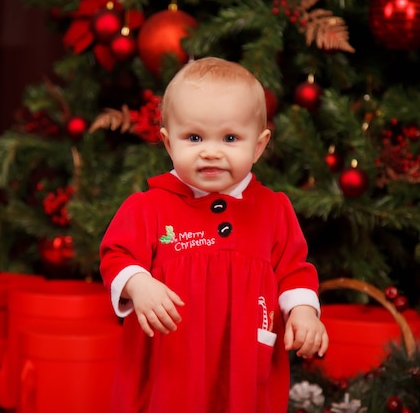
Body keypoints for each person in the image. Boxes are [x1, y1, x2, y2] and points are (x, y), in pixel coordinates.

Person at [99, 56, 328, 413]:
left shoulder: (272, 209)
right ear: (168, 142)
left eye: (230, 138)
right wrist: (138, 285)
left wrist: (302, 311)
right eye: (194, 137)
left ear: (259, 145)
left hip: (243, 364)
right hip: (171, 365)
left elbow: (294, 270)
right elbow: (116, 256)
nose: (210, 151)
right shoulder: (149, 207)